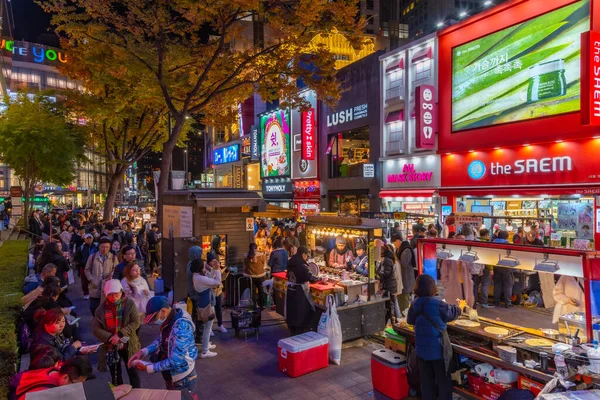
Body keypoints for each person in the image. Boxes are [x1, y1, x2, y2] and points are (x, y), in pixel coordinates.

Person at [128, 297, 198, 398]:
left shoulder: (181, 326)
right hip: (173, 376)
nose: (154, 322)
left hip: (183, 378)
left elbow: (176, 360)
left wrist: (149, 367)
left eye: (155, 318)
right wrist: (143, 352)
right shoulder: (170, 320)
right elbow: (161, 340)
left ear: (163, 311)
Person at [407, 274, 462, 400]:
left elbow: (410, 321)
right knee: (443, 381)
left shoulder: (414, 303)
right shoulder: (437, 304)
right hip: (438, 351)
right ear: (432, 287)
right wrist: (458, 307)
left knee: (426, 382)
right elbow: (452, 313)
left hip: (421, 350)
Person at [93, 280, 141, 387]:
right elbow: (96, 329)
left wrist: (119, 334)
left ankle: (137, 394)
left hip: (129, 344)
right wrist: (111, 337)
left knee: (133, 372)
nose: (114, 297)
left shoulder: (129, 304)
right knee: (115, 374)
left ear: (121, 292)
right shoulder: (101, 310)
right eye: (110, 294)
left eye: (116, 294)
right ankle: (119, 395)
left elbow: (136, 322)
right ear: (106, 294)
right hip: (111, 345)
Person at [15, 356, 93, 399]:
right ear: (65, 377)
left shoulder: (55, 370)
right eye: (77, 385)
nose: (78, 388)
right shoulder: (46, 393)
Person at [286, 247, 320, 334]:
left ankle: (292, 327)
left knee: (292, 309)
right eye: (306, 255)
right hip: (300, 291)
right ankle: (300, 329)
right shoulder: (301, 265)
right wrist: (321, 279)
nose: (306, 258)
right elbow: (311, 278)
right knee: (301, 310)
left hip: (291, 289)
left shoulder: (291, 261)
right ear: (303, 254)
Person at [191, 259, 220, 358]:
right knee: (208, 327)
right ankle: (205, 351)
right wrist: (217, 269)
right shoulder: (200, 278)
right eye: (203, 265)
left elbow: (209, 278)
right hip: (206, 304)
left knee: (207, 326)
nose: (205, 266)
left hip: (203, 302)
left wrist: (211, 269)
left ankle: (206, 344)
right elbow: (217, 282)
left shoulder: (197, 276)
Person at [85, 237, 119, 317]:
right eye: (103, 247)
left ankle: (104, 320)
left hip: (108, 286)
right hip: (95, 285)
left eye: (107, 247)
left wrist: (111, 276)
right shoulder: (92, 257)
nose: (104, 249)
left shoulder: (113, 258)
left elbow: (116, 270)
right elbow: (87, 269)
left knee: (107, 306)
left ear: (110, 247)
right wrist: (91, 279)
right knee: (93, 306)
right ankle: (96, 318)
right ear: (99, 246)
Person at [376, 241, 400, 321]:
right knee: (389, 305)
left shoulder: (387, 260)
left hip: (389, 287)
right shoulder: (383, 259)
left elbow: (386, 273)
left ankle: (393, 322)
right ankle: (390, 321)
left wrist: (376, 272)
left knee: (390, 306)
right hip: (387, 286)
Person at [393, 233, 416, 312]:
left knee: (404, 299)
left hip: (406, 279)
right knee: (401, 299)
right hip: (401, 278)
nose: (394, 245)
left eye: (395, 242)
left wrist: (395, 258)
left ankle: (405, 318)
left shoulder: (406, 250)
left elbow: (403, 264)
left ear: (398, 241)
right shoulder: (398, 249)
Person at [492, 230, 515, 308]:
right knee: (508, 284)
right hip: (506, 266)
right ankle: (508, 302)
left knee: (497, 284)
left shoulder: (493, 243)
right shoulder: (507, 244)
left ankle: (496, 301)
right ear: (507, 237)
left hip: (495, 265)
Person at [207, 252, 228, 333]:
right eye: (212, 261)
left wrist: (226, 272)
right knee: (210, 310)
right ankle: (210, 328)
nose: (214, 263)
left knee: (219, 308)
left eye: (215, 260)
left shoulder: (217, 268)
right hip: (210, 292)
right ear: (209, 262)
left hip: (218, 292)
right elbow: (210, 280)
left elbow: (221, 279)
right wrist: (215, 271)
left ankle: (220, 325)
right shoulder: (206, 269)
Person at [186, 246, 203, 342]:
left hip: (191, 292)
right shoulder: (194, 266)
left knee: (195, 314)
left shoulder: (189, 263)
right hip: (196, 294)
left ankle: (195, 333)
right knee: (198, 315)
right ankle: (198, 336)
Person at [243, 243, 267, 310]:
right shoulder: (261, 255)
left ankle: (254, 305)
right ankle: (262, 305)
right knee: (261, 291)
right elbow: (264, 263)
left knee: (252, 291)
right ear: (256, 248)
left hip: (250, 276)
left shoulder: (246, 256)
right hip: (260, 275)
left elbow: (245, 265)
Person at [74, 233, 97, 300]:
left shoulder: (96, 246)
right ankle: (86, 293)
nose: (89, 239)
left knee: (94, 279)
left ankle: (94, 292)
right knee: (84, 280)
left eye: (90, 238)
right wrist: (81, 263)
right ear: (84, 239)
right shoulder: (81, 248)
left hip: (94, 266)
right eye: (87, 238)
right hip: (83, 266)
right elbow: (77, 257)